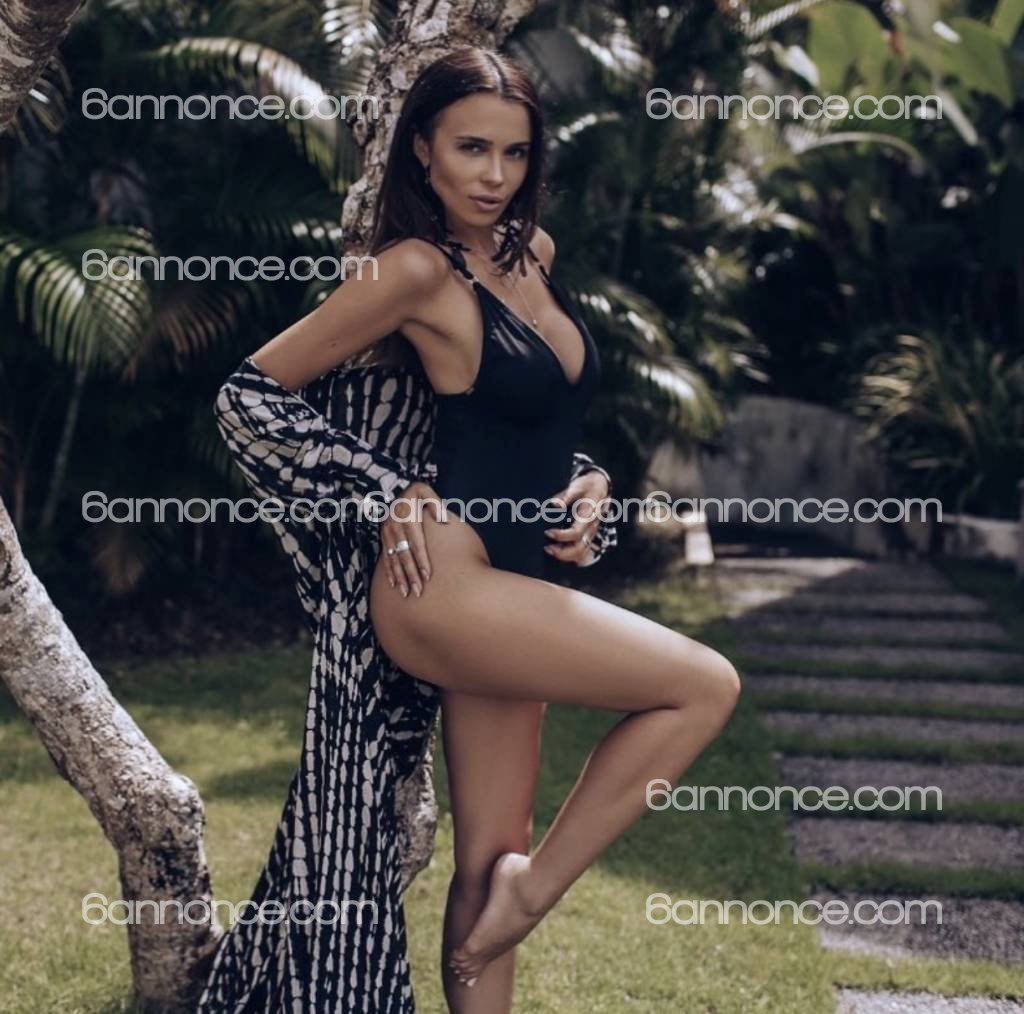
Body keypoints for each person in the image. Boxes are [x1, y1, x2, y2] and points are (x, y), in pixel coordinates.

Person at [201, 44, 739, 1014]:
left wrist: (586, 480)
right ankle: (534, 895)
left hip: (520, 580)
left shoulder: (533, 256)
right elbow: (248, 396)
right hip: (444, 586)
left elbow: (528, 422)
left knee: (491, 859)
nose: (495, 176)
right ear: (422, 151)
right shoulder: (413, 270)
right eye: (471, 149)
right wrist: (380, 489)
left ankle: (512, 899)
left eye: (515, 153)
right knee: (704, 686)